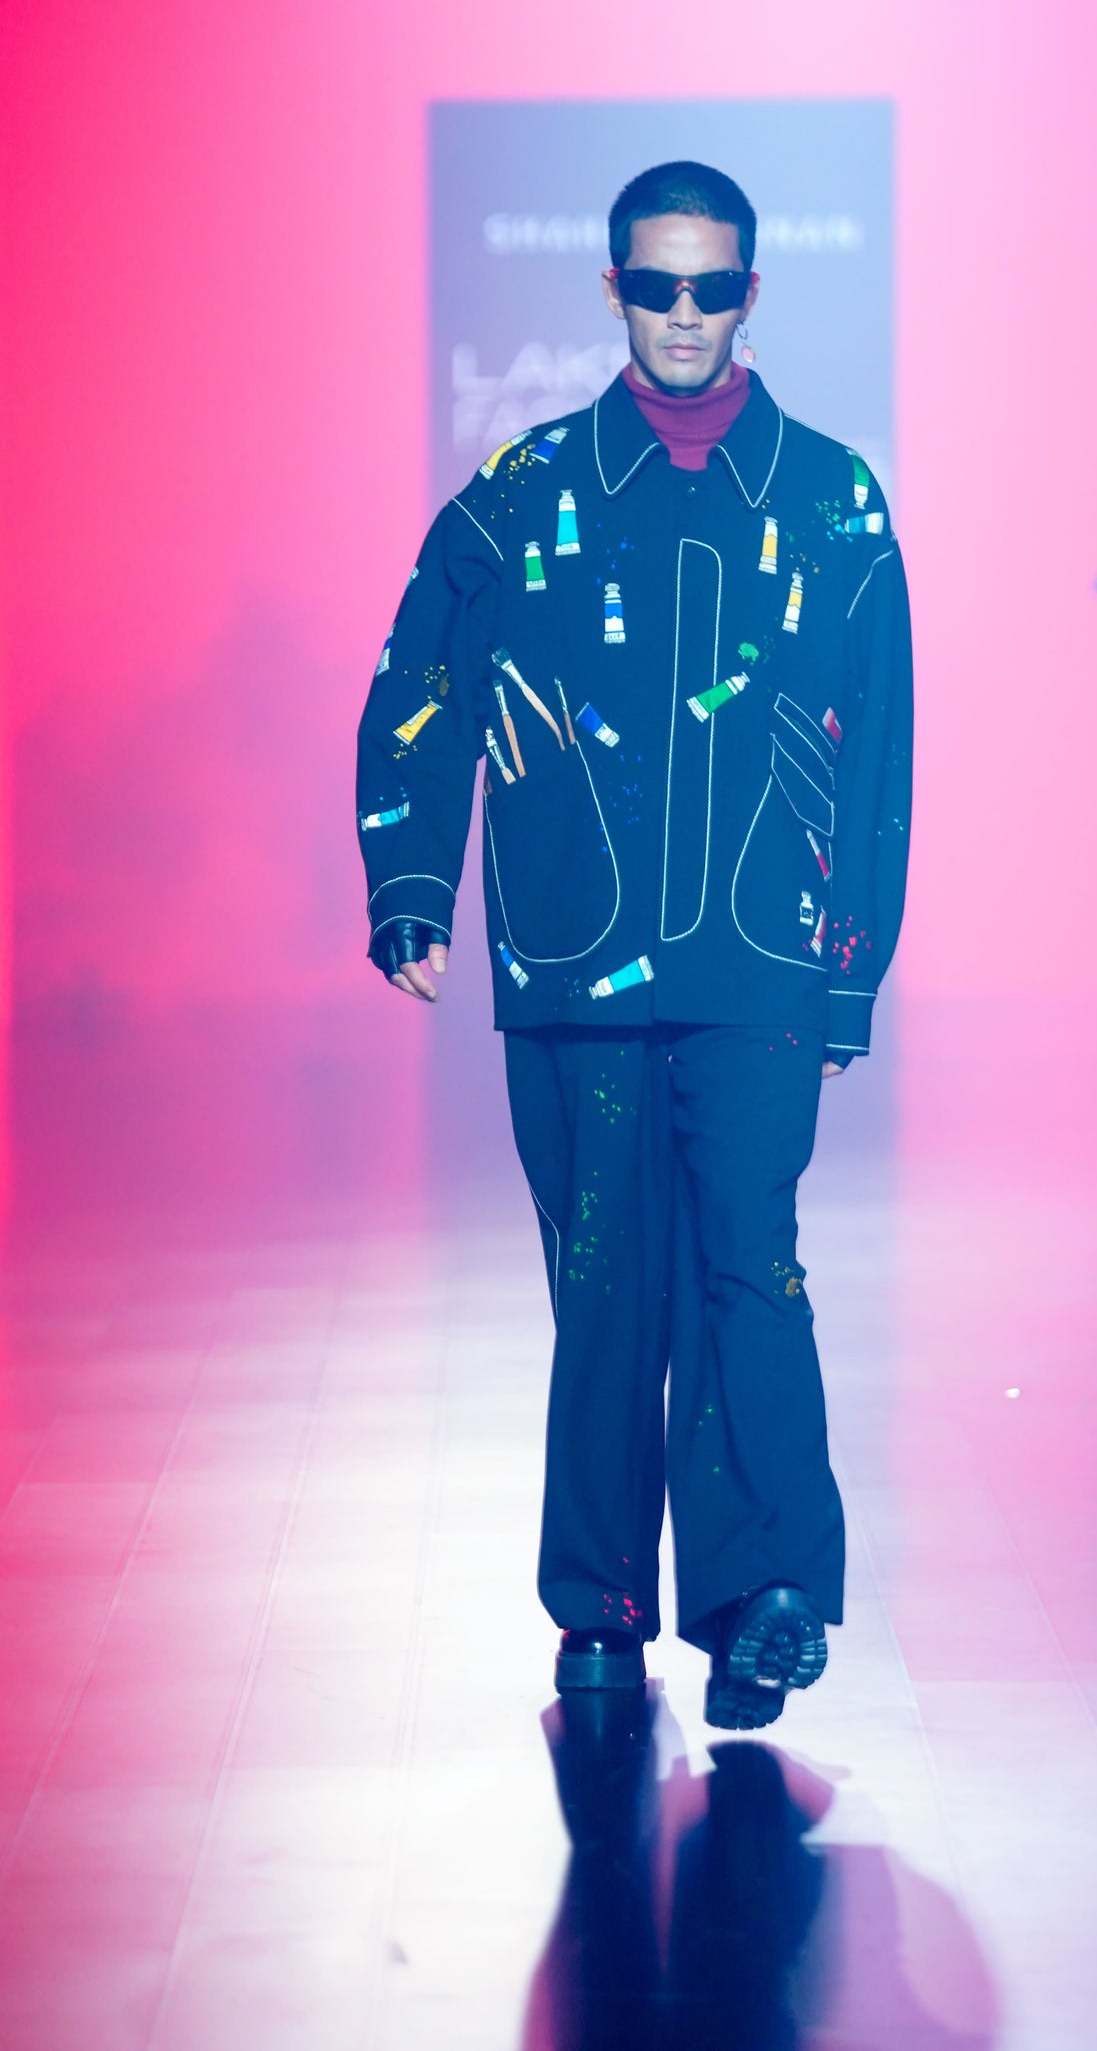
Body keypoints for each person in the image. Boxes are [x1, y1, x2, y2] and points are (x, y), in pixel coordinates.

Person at [356, 161, 912, 1728]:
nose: (683, 314)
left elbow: (878, 750)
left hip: (759, 957)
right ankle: (598, 1607)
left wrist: (850, 970)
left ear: (749, 293)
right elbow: (420, 684)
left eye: (710, 287)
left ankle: (766, 1594)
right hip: (572, 960)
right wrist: (412, 886)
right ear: (613, 291)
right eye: (657, 286)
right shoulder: (522, 489)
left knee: (752, 1261)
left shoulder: (831, 498)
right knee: (604, 1286)